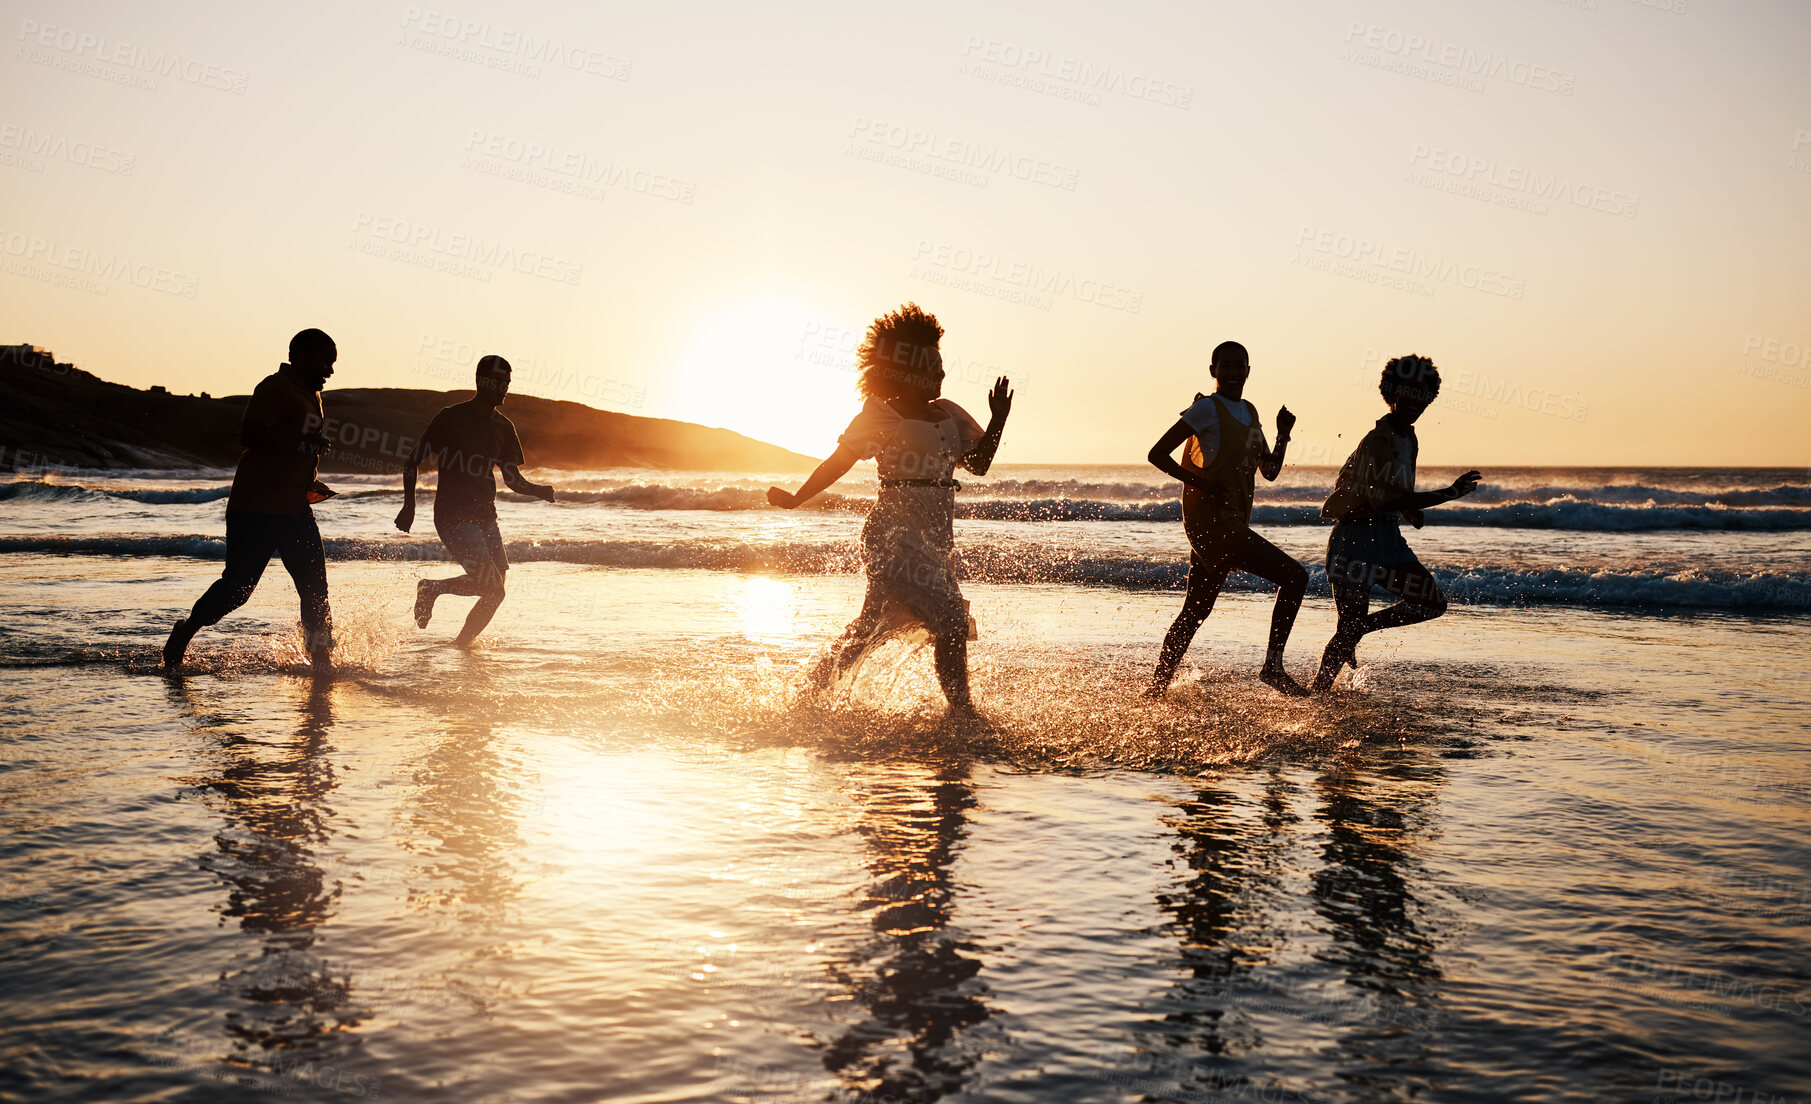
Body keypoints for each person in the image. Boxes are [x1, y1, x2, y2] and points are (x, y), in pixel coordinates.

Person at [767, 303, 1010, 717]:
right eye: (933, 364)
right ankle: (963, 712)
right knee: (949, 620)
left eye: (939, 363)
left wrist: (998, 419)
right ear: (907, 368)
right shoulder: (882, 413)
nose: (941, 372)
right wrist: (796, 498)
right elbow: (838, 462)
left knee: (871, 625)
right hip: (892, 534)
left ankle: (810, 695)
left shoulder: (949, 413)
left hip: (935, 540)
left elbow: (979, 464)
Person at [163, 328, 340, 672]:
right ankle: (184, 634)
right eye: (325, 362)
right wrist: (302, 443)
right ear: (301, 355)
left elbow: (294, 444)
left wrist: (309, 475)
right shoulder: (274, 387)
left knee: (315, 587)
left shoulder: (309, 393)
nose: (330, 372)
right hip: (256, 505)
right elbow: (251, 434)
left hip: (293, 507)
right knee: (237, 589)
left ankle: (321, 661)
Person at [1145, 340, 1309, 697]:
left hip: (1229, 525)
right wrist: (1200, 480)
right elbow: (1157, 453)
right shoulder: (1206, 409)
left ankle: (1156, 689)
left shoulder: (1250, 412)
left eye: (1240, 366)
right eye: (1227, 366)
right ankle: (1273, 667)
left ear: (1249, 371)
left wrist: (1282, 435)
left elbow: (1269, 470)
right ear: (1213, 370)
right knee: (1296, 576)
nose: (1234, 372)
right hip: (1215, 526)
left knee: (1195, 612)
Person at [1311, 354, 1481, 692]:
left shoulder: (1410, 439)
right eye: (1408, 392)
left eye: (1422, 394)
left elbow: (1396, 493)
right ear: (1391, 393)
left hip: (1387, 538)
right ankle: (1317, 696)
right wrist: (1447, 493)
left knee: (1432, 601)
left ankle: (1358, 630)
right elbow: (1384, 499)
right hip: (1355, 539)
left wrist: (1410, 511)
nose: (1415, 401)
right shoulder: (1378, 440)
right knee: (1348, 629)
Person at [395, 354, 557, 646]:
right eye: (498, 382)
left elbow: (512, 480)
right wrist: (409, 506)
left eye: (507, 383)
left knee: (498, 587)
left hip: (486, 516)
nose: (504, 388)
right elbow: (412, 461)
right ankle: (432, 590)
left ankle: (461, 643)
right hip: (452, 514)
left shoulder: (504, 427)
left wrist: (537, 490)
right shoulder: (450, 418)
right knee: (490, 584)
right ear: (481, 380)